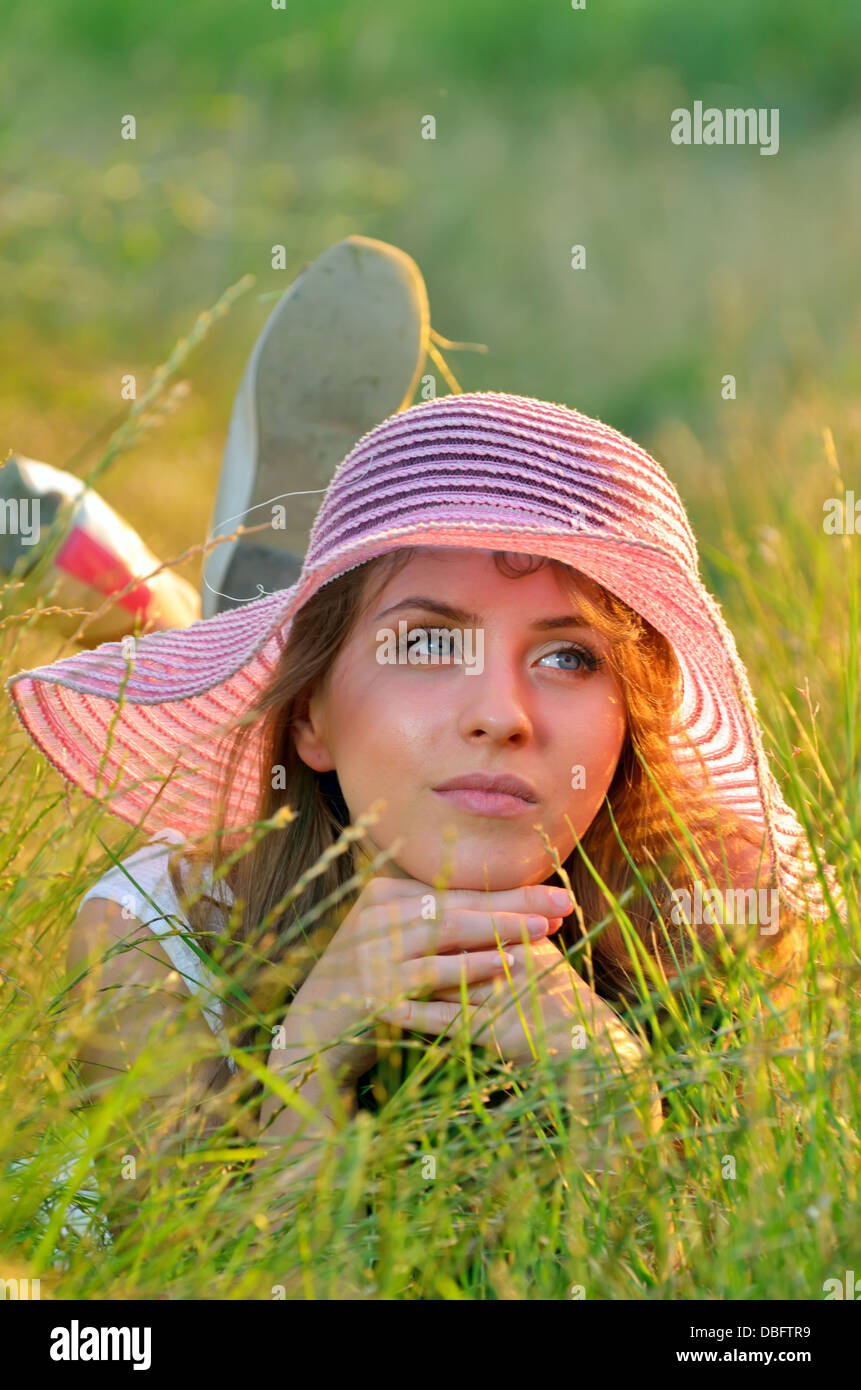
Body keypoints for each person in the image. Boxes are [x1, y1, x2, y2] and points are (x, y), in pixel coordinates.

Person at [5, 243, 837, 1243]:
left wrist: (613, 1105)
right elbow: (196, 1280)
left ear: (633, 724)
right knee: (283, 673)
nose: (501, 713)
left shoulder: (721, 917)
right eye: (430, 641)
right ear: (308, 719)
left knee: (302, 649)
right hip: (297, 749)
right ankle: (243, 614)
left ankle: (249, 601)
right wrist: (308, 1060)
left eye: (571, 659)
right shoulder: (160, 931)